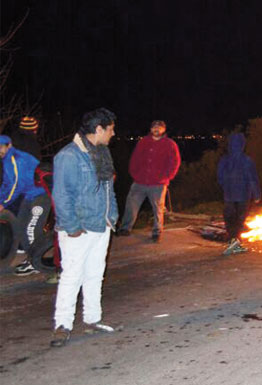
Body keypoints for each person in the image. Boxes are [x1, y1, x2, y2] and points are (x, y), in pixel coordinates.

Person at [50, 108, 119, 347]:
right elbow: (61, 195)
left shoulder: (102, 152)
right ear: (98, 129)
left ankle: (92, 319)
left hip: (101, 224)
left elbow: (108, 189)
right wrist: (71, 227)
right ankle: (62, 325)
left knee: (95, 274)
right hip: (78, 228)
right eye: (110, 129)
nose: (113, 133)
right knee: (72, 276)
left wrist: (112, 216)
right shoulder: (69, 156)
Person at [120, 120, 181, 241]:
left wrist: (167, 177)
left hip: (158, 183)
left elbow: (175, 162)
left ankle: (156, 232)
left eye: (159, 127)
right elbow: (135, 159)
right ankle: (125, 228)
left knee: (158, 208)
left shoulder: (170, 144)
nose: (156, 129)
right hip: (139, 181)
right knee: (131, 204)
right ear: (151, 129)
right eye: (154, 127)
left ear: (164, 129)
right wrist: (134, 174)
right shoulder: (143, 142)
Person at [0, 135, 50, 276]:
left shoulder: (16, 159)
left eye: (1, 147)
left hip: (41, 195)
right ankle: (32, 259)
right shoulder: (7, 160)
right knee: (21, 227)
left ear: (8, 145)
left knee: (31, 229)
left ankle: (37, 263)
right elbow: (7, 183)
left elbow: (16, 185)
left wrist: (3, 203)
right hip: (29, 196)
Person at [216, 132, 261, 256]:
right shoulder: (247, 160)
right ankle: (235, 242)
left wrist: (225, 186)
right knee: (240, 219)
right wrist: (256, 194)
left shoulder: (224, 159)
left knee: (230, 218)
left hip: (229, 194)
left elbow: (219, 177)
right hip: (243, 194)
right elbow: (252, 178)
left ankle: (233, 240)